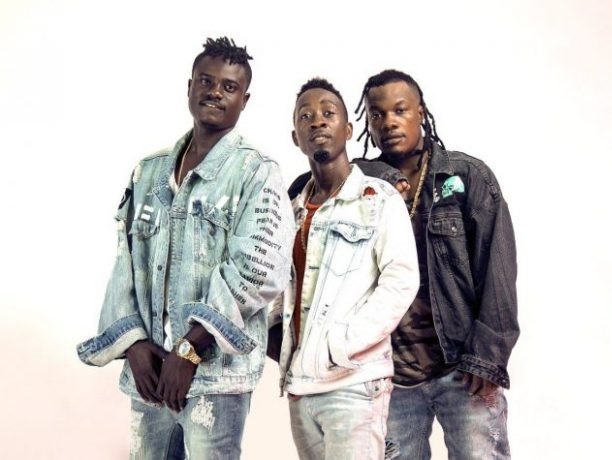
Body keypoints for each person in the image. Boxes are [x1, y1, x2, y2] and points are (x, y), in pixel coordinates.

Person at [76, 37, 294, 459]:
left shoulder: (257, 173)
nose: (215, 92)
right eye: (206, 81)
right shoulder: (148, 171)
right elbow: (126, 261)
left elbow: (260, 268)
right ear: (189, 86)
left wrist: (191, 347)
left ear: (245, 100)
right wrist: (134, 344)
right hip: (151, 375)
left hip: (216, 380)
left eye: (229, 87)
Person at [351, 69, 519, 459]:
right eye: (377, 114)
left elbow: (498, 270)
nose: (388, 122)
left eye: (400, 110)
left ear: (421, 112)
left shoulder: (466, 177)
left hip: (463, 368)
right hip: (390, 377)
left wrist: (487, 357)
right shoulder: (359, 186)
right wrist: (374, 173)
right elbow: (307, 188)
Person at [268, 78, 419, 459]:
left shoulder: (378, 199)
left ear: (348, 130)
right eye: (306, 116)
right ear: (296, 137)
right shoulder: (291, 210)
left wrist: (342, 345)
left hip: (353, 383)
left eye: (328, 113)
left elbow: (402, 280)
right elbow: (280, 288)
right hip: (301, 385)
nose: (317, 121)